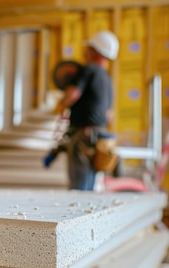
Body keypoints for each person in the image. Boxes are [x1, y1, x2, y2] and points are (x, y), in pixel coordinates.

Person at [59, 31, 119, 190]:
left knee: (78, 187)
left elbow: (73, 95)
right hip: (100, 138)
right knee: (90, 186)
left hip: (83, 136)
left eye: (90, 48)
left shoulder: (89, 70)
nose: (86, 51)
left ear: (96, 51)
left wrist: (61, 104)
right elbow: (109, 115)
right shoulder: (107, 79)